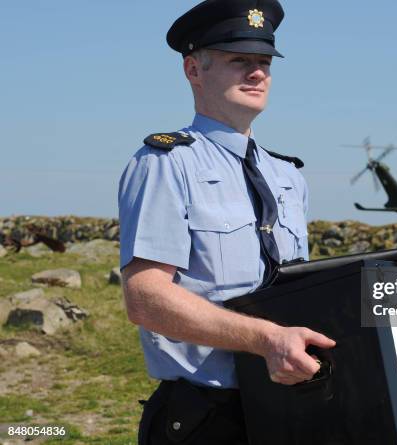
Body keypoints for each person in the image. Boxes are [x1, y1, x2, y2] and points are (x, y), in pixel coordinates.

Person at [117, 1, 336, 443]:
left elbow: (300, 293)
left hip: (292, 406)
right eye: (240, 61)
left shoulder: (288, 177)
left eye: (264, 63)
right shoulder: (165, 165)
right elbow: (145, 298)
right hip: (208, 418)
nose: (257, 74)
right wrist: (265, 339)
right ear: (194, 70)